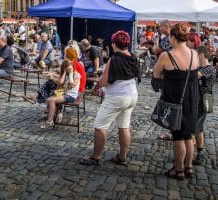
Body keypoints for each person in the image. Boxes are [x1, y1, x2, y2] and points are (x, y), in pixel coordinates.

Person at [79, 31, 140, 166]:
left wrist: (100, 81)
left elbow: (104, 82)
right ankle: (122, 157)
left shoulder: (114, 59)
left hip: (117, 96)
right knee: (124, 126)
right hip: (132, 94)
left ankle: (96, 157)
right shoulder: (132, 56)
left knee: (100, 126)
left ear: (114, 44)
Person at [151, 23, 200, 180]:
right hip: (191, 100)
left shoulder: (167, 55)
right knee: (188, 135)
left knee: (178, 136)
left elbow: (156, 76)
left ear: (173, 37)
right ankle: (189, 167)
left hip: (174, 100)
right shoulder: (195, 54)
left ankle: (178, 170)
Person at [39, 60, 81, 129]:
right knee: (49, 97)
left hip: (71, 96)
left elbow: (72, 85)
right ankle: (55, 116)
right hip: (64, 94)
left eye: (69, 67)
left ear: (72, 66)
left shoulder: (77, 75)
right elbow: (61, 82)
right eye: (66, 68)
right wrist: (64, 72)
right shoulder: (66, 74)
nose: (69, 69)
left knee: (51, 100)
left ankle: (50, 121)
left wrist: (70, 74)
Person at [193, 45, 215, 166]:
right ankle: (199, 152)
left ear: (201, 55)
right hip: (195, 101)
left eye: (197, 55)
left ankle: (188, 156)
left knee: (193, 128)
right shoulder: (199, 67)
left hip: (202, 102)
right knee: (198, 128)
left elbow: (196, 75)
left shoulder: (209, 68)